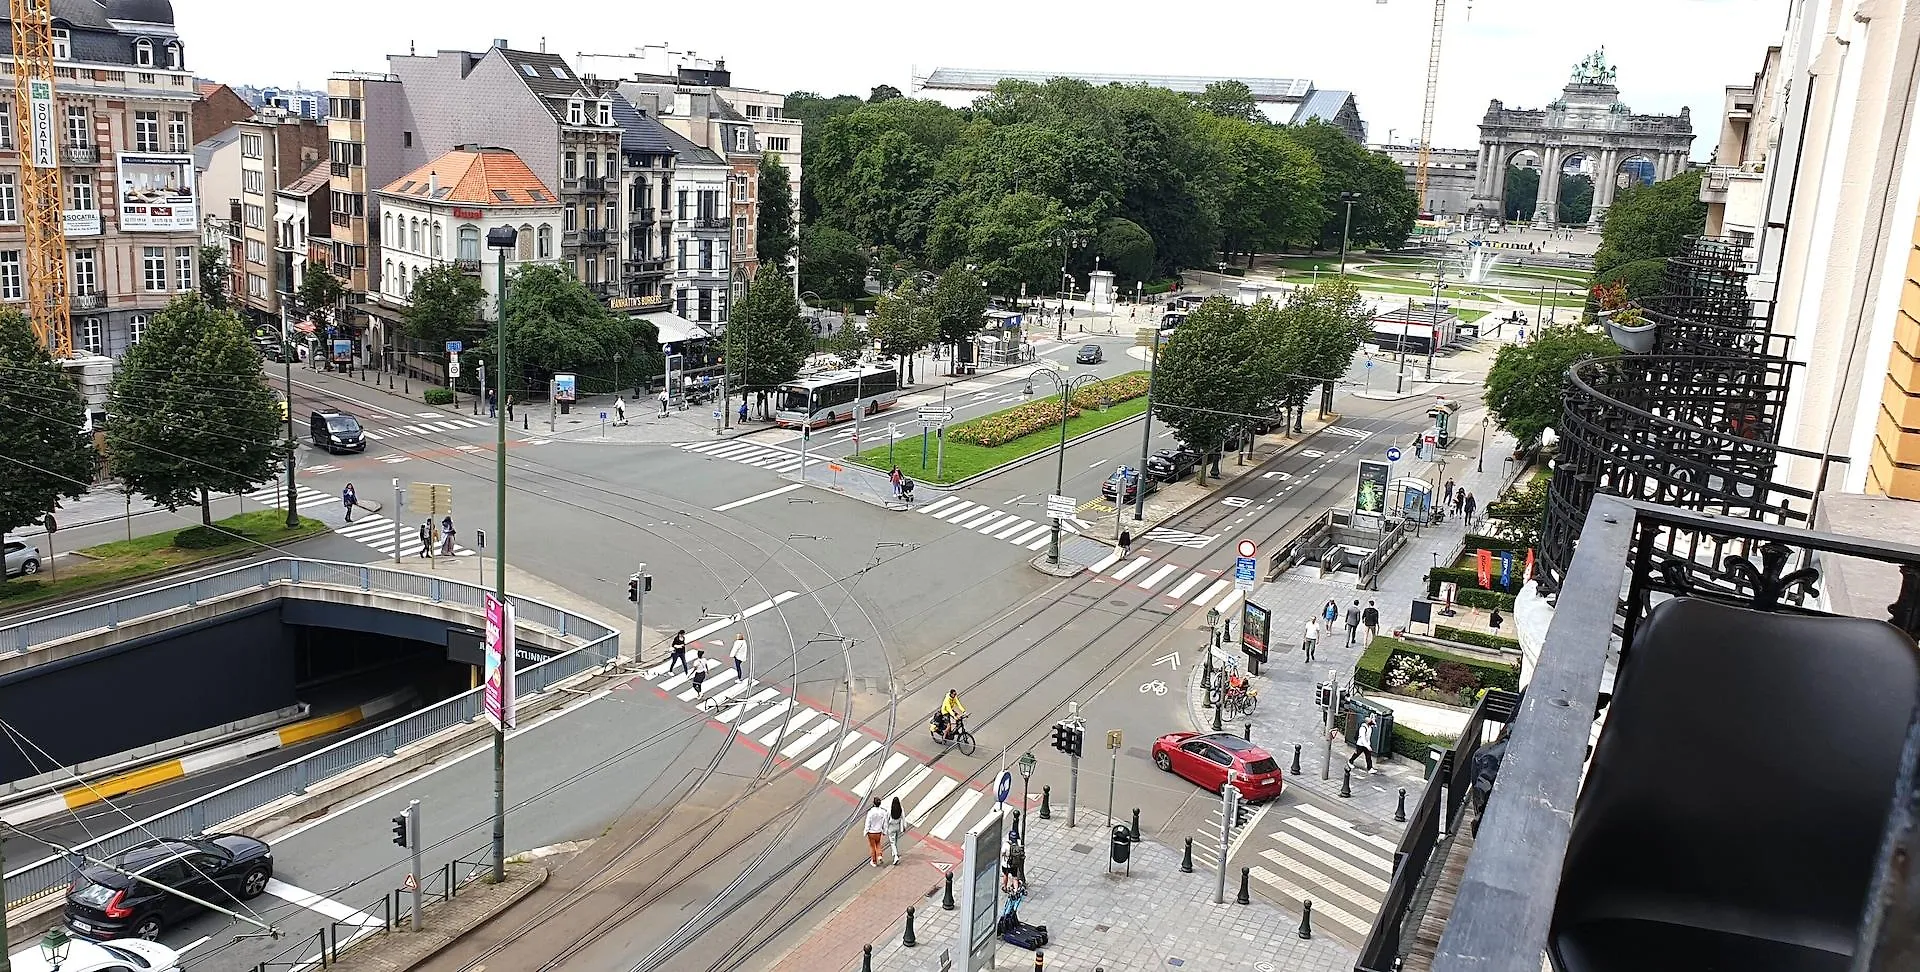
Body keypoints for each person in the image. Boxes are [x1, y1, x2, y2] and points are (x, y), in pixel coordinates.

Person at [864, 797, 888, 867]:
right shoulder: (883, 812)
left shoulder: (870, 812)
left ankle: (874, 861)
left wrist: (866, 831)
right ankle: (879, 855)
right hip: (878, 831)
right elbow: (885, 822)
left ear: (873, 804)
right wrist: (884, 831)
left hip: (871, 832)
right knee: (878, 843)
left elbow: (868, 822)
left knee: (872, 846)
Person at [886, 796, 905, 865]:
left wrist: (885, 828)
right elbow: (903, 818)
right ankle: (894, 852)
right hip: (898, 826)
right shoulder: (901, 809)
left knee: (892, 842)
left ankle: (895, 856)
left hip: (891, 827)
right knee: (896, 840)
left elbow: (886, 819)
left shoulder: (890, 810)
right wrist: (904, 826)